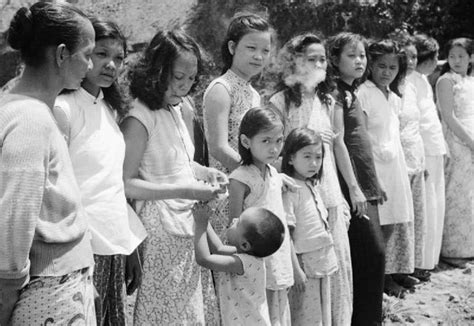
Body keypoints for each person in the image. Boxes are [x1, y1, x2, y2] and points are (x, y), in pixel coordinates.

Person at [121, 29, 227, 325]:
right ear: (157, 71)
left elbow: (181, 162)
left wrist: (205, 172)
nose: (184, 86)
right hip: (160, 230)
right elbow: (126, 183)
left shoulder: (181, 109)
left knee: (191, 310)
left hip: (189, 222)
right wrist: (186, 189)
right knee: (168, 311)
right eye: (178, 77)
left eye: (191, 79)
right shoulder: (139, 117)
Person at [0, 2, 96, 325]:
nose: (91, 64)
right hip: (48, 295)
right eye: (87, 54)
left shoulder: (18, 105)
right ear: (61, 55)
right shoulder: (31, 119)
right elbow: (14, 224)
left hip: (57, 288)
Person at [54, 19, 147, 325]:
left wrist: (128, 248)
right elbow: (57, 189)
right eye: (100, 54)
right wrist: (77, 263)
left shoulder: (110, 110)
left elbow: (111, 186)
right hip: (80, 250)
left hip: (112, 248)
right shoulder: (64, 108)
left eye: (118, 58)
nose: (110, 64)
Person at [269, 33, 353, 325]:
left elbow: (336, 149)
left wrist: (346, 194)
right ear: (295, 61)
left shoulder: (328, 99)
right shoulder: (280, 101)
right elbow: (272, 154)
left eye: (322, 59)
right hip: (295, 198)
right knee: (304, 272)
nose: (318, 64)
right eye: (310, 59)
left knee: (336, 269)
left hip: (328, 192)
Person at [327, 32, 386, 325]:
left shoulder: (353, 90)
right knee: (370, 256)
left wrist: (374, 183)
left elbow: (362, 142)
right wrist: (353, 187)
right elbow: (338, 141)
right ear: (335, 61)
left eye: (362, 55)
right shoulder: (337, 92)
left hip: (365, 181)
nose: (360, 60)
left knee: (373, 257)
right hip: (351, 186)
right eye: (352, 55)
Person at [203, 13, 272, 235]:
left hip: (251, 189)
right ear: (232, 47)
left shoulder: (253, 94)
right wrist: (251, 177)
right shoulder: (221, 89)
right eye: (251, 48)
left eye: (265, 51)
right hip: (226, 192)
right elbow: (218, 147)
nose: (259, 57)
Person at [358, 39, 415, 297]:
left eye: (392, 67)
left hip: (394, 166)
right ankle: (376, 281)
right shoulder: (364, 93)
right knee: (377, 227)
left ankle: (388, 275)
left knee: (392, 223)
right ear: (371, 65)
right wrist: (371, 178)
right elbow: (362, 137)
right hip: (375, 168)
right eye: (381, 65)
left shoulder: (393, 95)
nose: (386, 72)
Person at [228, 106, 294, 325]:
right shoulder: (240, 178)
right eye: (266, 141)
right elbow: (234, 227)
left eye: (279, 140)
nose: (274, 148)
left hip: (279, 256)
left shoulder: (274, 173)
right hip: (255, 266)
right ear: (246, 142)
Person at [281, 128, 338, 326]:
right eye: (307, 156)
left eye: (318, 157)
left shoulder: (311, 185)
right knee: (305, 317)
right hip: (305, 265)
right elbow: (287, 234)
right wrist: (296, 270)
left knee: (322, 316)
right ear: (290, 158)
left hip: (322, 262)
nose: (314, 163)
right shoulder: (290, 189)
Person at [193, 205, 285, 326]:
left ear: (245, 245)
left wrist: (200, 224)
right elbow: (218, 249)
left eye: (238, 223)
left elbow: (204, 259)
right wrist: (204, 220)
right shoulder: (249, 256)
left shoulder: (241, 263)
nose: (234, 220)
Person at [436, 37, 474, 267]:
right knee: (456, 193)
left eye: (461, 56)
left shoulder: (470, 80)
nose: (456, 60)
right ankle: (452, 250)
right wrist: (470, 141)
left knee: (471, 195)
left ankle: (470, 246)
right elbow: (448, 116)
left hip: (471, 135)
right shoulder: (445, 81)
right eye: (452, 56)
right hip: (457, 141)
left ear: (471, 58)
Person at [412, 34, 447, 271]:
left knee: (436, 204)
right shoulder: (410, 82)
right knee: (427, 206)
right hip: (423, 150)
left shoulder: (424, 80)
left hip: (435, 147)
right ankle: (422, 262)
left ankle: (431, 259)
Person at [399, 36, 429, 282]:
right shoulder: (392, 86)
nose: (410, 61)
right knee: (400, 219)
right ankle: (393, 274)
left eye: (414, 57)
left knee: (416, 216)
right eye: (405, 56)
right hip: (398, 161)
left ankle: (411, 267)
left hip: (416, 155)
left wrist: (423, 160)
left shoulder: (413, 85)